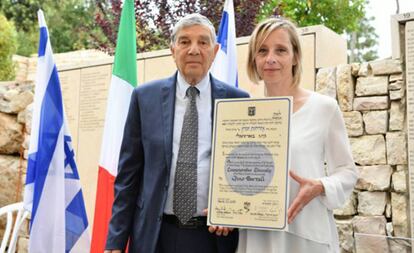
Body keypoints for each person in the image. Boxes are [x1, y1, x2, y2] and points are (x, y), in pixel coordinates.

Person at [104, 13, 249, 253]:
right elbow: (128, 175)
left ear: (215, 50)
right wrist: (115, 240)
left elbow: (245, 170)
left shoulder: (238, 100)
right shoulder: (144, 98)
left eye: (203, 42)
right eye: (184, 42)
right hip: (156, 235)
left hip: (214, 238)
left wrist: (232, 212)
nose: (193, 50)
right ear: (172, 50)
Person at [237, 17, 358, 253]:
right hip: (258, 236)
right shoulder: (243, 114)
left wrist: (320, 185)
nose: (270, 58)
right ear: (254, 59)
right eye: (262, 50)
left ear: (295, 57)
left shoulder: (323, 108)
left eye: (280, 50)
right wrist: (223, 206)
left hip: (306, 235)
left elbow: (347, 172)